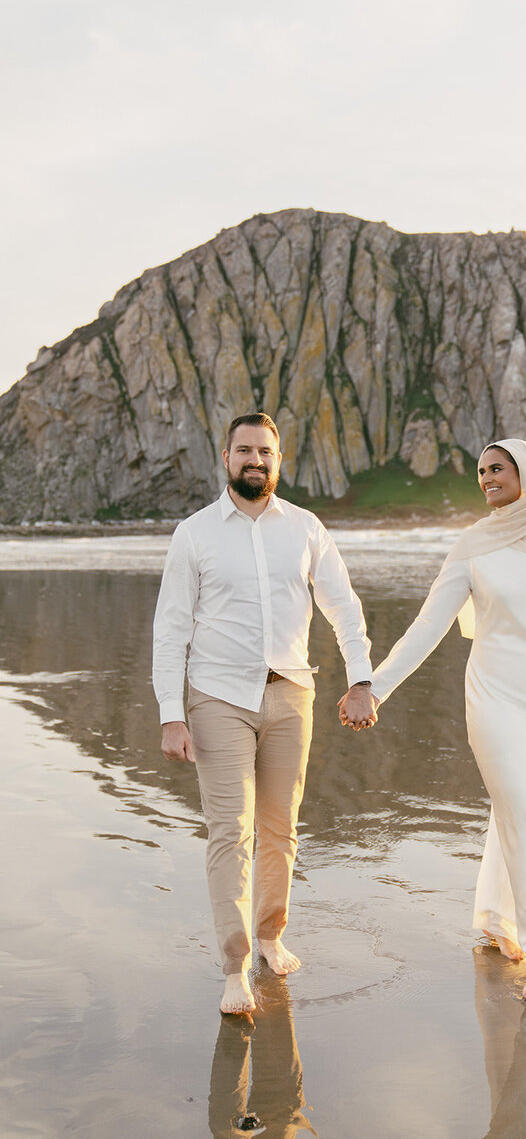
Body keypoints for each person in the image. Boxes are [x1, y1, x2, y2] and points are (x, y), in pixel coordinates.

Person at [343, 438, 526, 1005]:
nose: (487, 477)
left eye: (498, 468)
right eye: (480, 470)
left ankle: (500, 919)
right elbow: (428, 627)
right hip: (494, 698)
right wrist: (374, 686)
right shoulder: (473, 545)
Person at [153, 412, 377, 1014]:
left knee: (280, 830)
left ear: (279, 460)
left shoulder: (305, 529)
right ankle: (234, 967)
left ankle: (271, 938)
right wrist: (171, 714)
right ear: (226, 458)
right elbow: (170, 629)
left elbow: (343, 606)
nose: (256, 460)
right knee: (231, 833)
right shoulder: (194, 533)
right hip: (217, 699)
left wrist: (361, 680)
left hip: (290, 697)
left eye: (266, 452)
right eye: (245, 450)